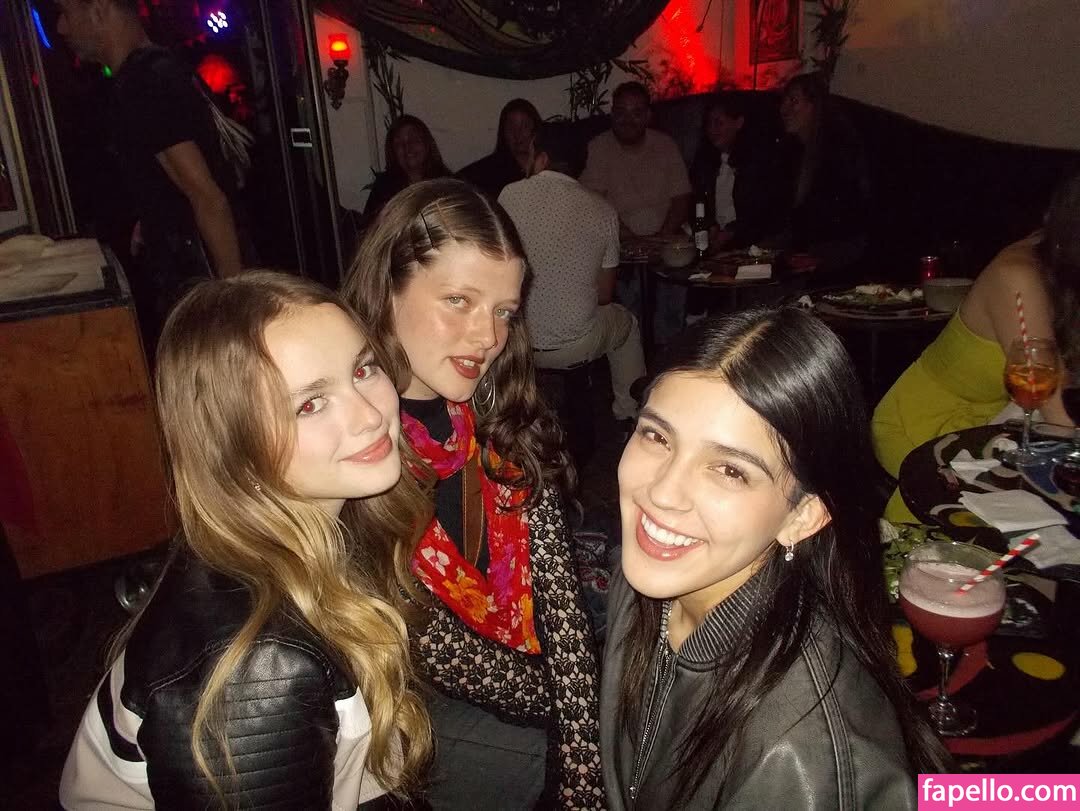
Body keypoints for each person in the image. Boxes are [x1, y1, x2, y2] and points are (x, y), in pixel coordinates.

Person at [59, 273, 431, 808]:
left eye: (363, 369)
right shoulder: (255, 674)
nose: (371, 416)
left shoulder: (321, 524)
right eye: (310, 404)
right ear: (234, 447)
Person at [601, 308, 948, 809]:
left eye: (729, 470)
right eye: (657, 436)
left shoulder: (800, 754)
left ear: (802, 517)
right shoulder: (647, 569)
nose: (661, 494)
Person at [342, 178, 603, 810]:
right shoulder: (350, 443)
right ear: (387, 290)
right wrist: (587, 718)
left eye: (504, 311)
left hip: (523, 670)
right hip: (404, 702)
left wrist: (585, 726)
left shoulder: (495, 410)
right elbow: (434, 649)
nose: (487, 336)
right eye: (459, 300)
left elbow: (558, 591)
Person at [873, 172, 1080, 523]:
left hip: (1002, 423)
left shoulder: (1060, 268)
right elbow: (1056, 411)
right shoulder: (1018, 276)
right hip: (926, 423)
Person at [56, 0, 243, 354]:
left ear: (99, 10)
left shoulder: (144, 83)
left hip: (198, 288)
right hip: (195, 282)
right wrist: (154, 212)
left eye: (65, 13)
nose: (60, 28)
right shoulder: (160, 69)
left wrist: (235, 305)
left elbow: (208, 197)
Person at [499, 123, 646, 423]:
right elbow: (605, 295)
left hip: (515, 340)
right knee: (627, 324)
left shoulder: (509, 195)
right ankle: (629, 414)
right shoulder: (604, 210)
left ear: (541, 158)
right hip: (575, 345)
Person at [581, 81, 693, 345]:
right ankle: (633, 351)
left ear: (648, 115)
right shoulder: (599, 147)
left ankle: (670, 351)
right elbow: (593, 203)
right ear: (612, 114)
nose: (627, 120)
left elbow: (681, 198)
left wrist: (661, 238)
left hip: (666, 240)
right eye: (621, 112)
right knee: (630, 312)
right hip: (621, 243)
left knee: (675, 271)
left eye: (636, 112)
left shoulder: (665, 145)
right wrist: (629, 238)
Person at [778, 72, 870, 272]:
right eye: (784, 102)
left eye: (794, 101)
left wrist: (819, 257)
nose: (784, 109)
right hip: (809, 252)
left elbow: (845, 217)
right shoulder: (793, 153)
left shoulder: (838, 151)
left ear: (815, 106)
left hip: (838, 252)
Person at [689, 94, 785, 250]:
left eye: (718, 123)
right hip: (714, 242)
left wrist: (731, 231)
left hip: (748, 244)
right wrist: (709, 226)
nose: (712, 130)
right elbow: (697, 202)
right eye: (709, 123)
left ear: (738, 123)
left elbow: (761, 212)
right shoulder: (704, 162)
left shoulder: (758, 162)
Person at [362, 114, 452, 225]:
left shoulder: (449, 185)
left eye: (413, 139)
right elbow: (368, 228)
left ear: (427, 143)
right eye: (399, 143)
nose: (407, 147)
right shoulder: (383, 187)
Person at [458, 98, 542, 198]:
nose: (517, 134)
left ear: (536, 129)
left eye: (525, 126)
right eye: (511, 128)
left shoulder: (548, 171)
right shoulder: (487, 172)